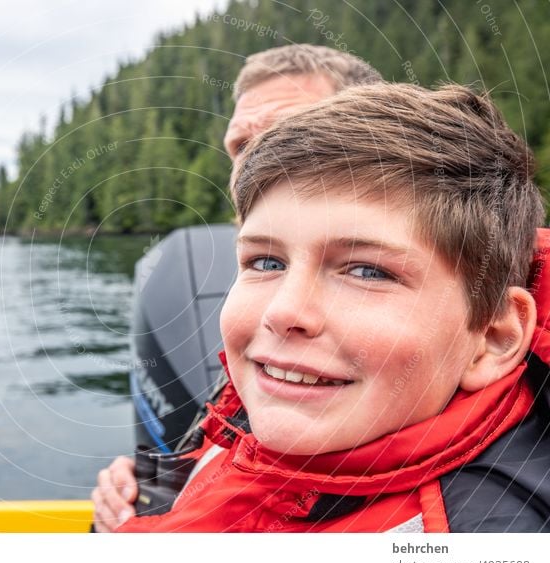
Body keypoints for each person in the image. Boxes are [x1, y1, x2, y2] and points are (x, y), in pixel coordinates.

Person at [115, 81, 549, 532]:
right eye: (266, 261)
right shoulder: (275, 399)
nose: (283, 312)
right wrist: (154, 496)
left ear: (493, 339)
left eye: (367, 272)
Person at [92, 44, 383, 533]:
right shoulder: (250, 306)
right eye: (240, 147)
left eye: (285, 138)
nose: (249, 170)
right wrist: (161, 487)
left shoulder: (446, 303)